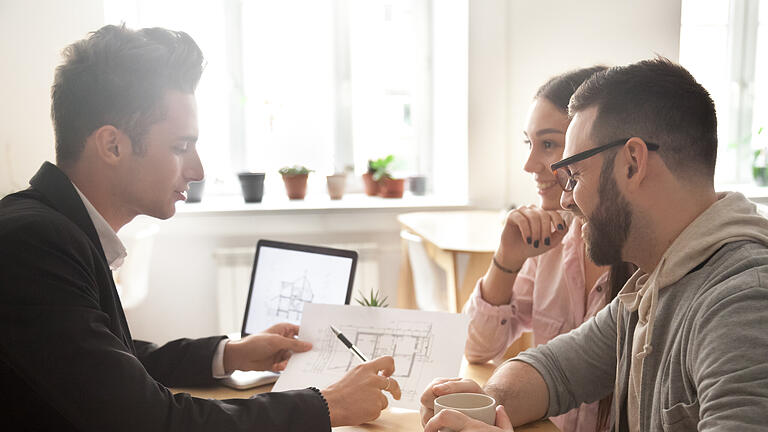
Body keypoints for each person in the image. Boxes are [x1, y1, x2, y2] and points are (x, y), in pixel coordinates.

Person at [0, 24, 400, 431]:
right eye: (180, 147)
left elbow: (110, 364)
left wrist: (231, 354)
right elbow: (149, 420)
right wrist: (327, 406)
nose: (197, 169)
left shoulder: (53, 228)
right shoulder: (32, 244)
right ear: (112, 145)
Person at [421, 57, 768, 431]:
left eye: (574, 175)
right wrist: (481, 406)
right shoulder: (654, 284)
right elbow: (554, 369)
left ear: (632, 163)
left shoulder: (742, 302)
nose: (567, 199)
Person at [463, 65, 634, 432]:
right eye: (529, 143)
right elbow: (477, 347)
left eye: (550, 144)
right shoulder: (552, 240)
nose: (529, 164)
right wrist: (507, 260)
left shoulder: (644, 256)